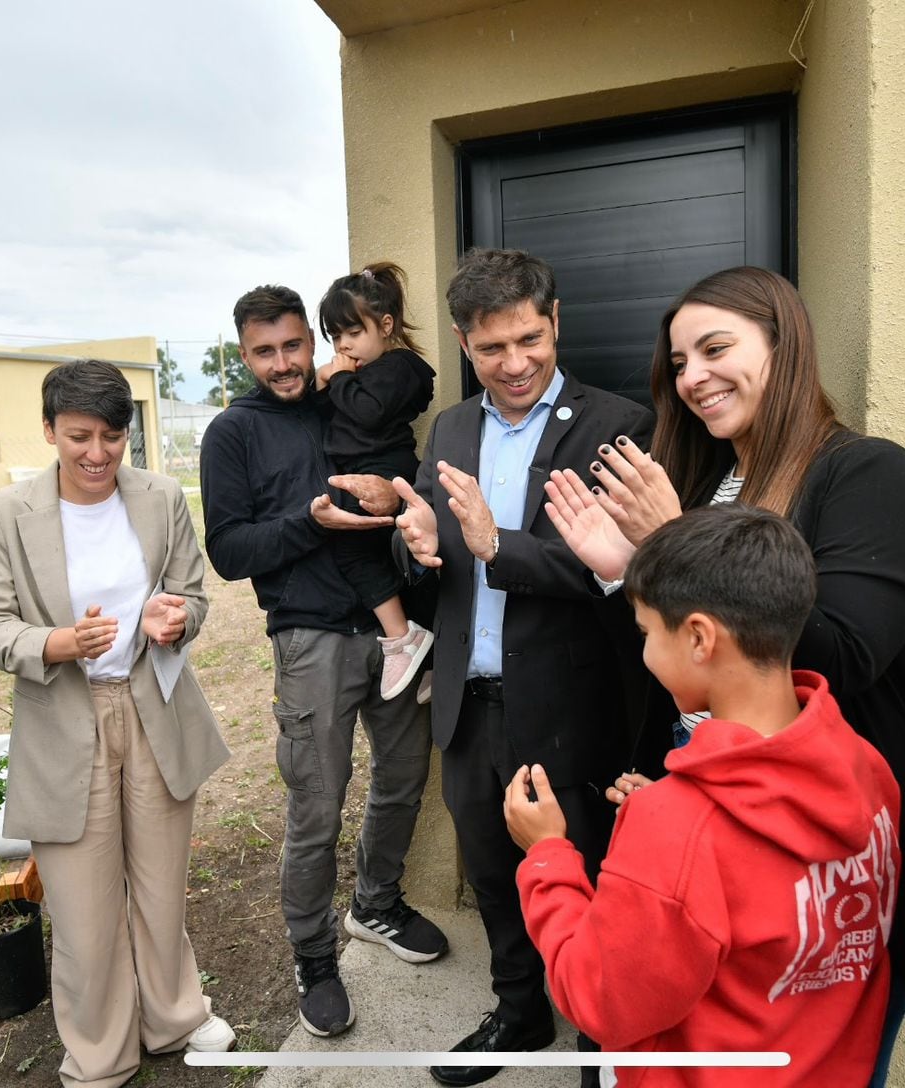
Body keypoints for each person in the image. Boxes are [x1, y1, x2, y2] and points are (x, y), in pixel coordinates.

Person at [542, 265, 905, 1084]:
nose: (693, 377)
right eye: (679, 361)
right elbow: (680, 644)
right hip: (714, 836)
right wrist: (624, 570)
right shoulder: (706, 478)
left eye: (715, 348)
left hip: (825, 864)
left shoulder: (871, 475)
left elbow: (841, 654)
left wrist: (673, 539)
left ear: (785, 347)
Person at [505, 504, 901, 1087]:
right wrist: (669, 833)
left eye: (645, 632)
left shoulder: (677, 826)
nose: (643, 651)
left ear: (697, 637)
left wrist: (548, 858)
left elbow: (600, 1001)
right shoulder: (865, 765)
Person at [389, 247, 654, 1087]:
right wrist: (425, 550)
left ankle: (602, 1034)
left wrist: (497, 545)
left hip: (572, 705)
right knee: (493, 872)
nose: (514, 363)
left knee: (589, 873)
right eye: (492, 347)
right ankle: (519, 1008)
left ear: (555, 322)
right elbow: (438, 557)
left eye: (529, 340)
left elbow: (609, 571)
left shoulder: (620, 424)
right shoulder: (452, 427)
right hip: (470, 702)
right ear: (465, 344)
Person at [0, 360, 234, 1087]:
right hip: (62, 720)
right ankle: (99, 1052)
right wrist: (55, 642)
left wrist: (174, 619)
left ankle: (173, 1014)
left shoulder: (161, 497)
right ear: (49, 430)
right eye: (79, 436)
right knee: (82, 902)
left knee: (160, 880)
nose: (96, 453)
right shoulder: (5, 514)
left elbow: (192, 594)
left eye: (112, 437)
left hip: (155, 710)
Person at [200, 285, 447, 1039]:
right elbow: (230, 550)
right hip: (310, 638)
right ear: (243, 355)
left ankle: (375, 905)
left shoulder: (349, 399)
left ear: (313, 340)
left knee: (403, 781)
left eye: (291, 346)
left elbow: (410, 482)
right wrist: (307, 523)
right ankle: (313, 954)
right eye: (263, 352)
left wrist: (397, 500)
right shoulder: (231, 434)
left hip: (394, 632)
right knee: (317, 806)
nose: (282, 364)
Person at [315, 261, 438, 699]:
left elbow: (367, 413)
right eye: (335, 337)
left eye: (352, 333)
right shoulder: (357, 374)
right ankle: (425, 650)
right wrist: (326, 380)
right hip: (358, 477)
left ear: (385, 325)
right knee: (386, 561)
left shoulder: (399, 367)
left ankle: (404, 640)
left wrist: (341, 376)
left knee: (389, 556)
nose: (343, 347)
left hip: (389, 472)